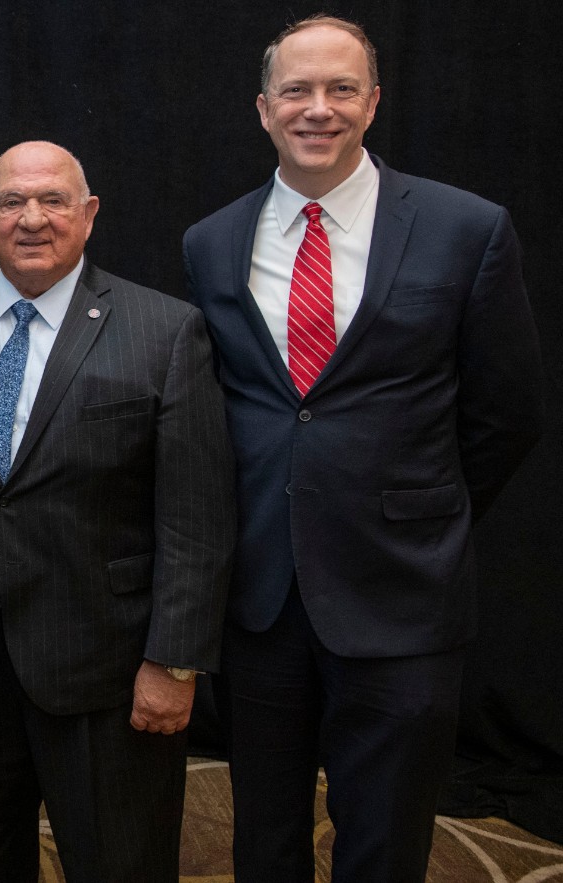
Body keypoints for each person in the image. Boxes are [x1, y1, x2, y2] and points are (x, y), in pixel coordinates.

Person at [182, 15, 545, 882]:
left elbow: (507, 413)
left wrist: (422, 511)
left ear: (373, 102)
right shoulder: (211, 242)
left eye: (341, 89)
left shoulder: (469, 229)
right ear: (263, 109)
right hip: (263, 595)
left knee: (383, 844)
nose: (319, 109)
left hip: (402, 593)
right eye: (297, 91)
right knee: (264, 838)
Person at [0, 140, 235, 882]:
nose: (32, 218)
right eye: (13, 201)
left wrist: (174, 661)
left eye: (53, 200)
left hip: (107, 669)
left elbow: (195, 515)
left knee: (120, 862)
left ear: (88, 216)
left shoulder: (164, 330)